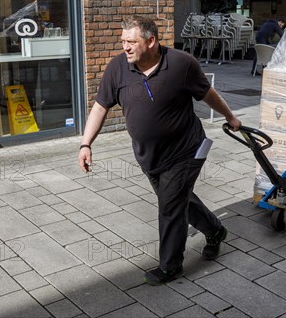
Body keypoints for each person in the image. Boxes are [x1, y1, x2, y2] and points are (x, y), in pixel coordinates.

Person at [78, 15, 242, 286]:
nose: (125, 47)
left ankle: (170, 266)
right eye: (123, 42)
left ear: (151, 41)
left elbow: (207, 93)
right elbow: (101, 106)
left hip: (187, 150)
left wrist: (230, 116)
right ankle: (215, 230)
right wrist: (86, 143)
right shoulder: (118, 68)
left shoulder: (181, 64)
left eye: (131, 42)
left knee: (170, 205)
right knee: (179, 200)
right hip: (149, 157)